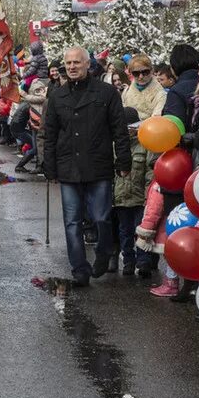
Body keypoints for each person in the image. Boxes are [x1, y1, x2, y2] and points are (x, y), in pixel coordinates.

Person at [43, 47, 130, 286]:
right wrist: (48, 166)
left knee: (101, 218)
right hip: (68, 166)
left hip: (98, 165)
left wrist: (123, 161)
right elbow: (49, 134)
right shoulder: (58, 96)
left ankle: (104, 253)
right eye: (68, 63)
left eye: (76, 63)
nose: (72, 67)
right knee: (72, 222)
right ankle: (79, 269)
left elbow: (119, 129)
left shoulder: (107, 92)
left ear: (87, 64)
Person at [112, 107, 150, 275]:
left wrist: (149, 195)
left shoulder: (145, 146)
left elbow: (150, 172)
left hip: (139, 197)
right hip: (120, 198)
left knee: (141, 232)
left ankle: (143, 263)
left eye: (133, 128)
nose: (130, 131)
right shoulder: (114, 147)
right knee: (125, 232)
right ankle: (128, 261)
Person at [120, 54, 165, 119]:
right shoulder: (126, 91)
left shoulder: (161, 94)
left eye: (145, 72)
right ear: (131, 73)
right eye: (136, 73)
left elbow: (156, 120)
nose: (141, 77)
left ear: (152, 70)